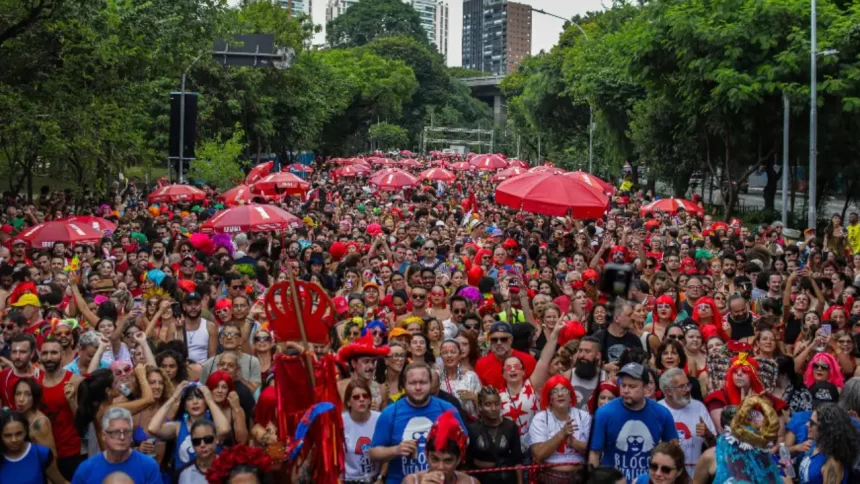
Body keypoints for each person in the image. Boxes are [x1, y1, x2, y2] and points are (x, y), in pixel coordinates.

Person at [369, 362, 465, 484]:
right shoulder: (390, 413)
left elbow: (463, 445)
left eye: (423, 382)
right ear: (404, 384)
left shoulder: (447, 409)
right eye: (413, 383)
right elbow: (373, 453)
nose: (418, 387)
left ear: (431, 384)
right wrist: (396, 450)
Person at [588, 363, 679, 482]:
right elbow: (595, 454)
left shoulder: (662, 414)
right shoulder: (604, 413)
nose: (625, 391)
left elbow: (674, 453)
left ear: (646, 388)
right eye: (623, 385)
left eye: (632, 386)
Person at [71, 407, 162, 484]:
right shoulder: (86, 469)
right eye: (115, 432)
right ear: (103, 435)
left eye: (126, 432)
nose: (122, 437)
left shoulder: (148, 466)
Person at [529, 375, 592, 482]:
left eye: (564, 390)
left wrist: (572, 442)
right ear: (549, 399)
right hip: (549, 477)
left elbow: (593, 451)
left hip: (579, 477)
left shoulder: (584, 416)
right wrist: (561, 435)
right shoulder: (540, 419)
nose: (560, 394)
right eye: (554, 391)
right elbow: (539, 455)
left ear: (571, 396)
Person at [38, 337, 85, 479]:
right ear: (40, 356)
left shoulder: (76, 381)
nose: (49, 357)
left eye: (53, 353)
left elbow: (82, 422)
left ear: (62, 355)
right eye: (45, 353)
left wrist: (71, 401)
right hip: (42, 452)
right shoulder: (34, 383)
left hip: (70, 452)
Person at [657, 368, 715, 478]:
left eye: (688, 385)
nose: (687, 389)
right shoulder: (657, 410)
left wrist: (708, 435)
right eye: (681, 386)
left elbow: (715, 447)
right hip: (665, 476)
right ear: (668, 391)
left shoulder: (698, 407)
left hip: (695, 476)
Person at [466, 386, 522, 484]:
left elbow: (517, 460)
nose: (493, 408)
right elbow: (469, 461)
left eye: (497, 404)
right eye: (488, 404)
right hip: (483, 480)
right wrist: (488, 465)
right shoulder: (473, 429)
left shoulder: (510, 426)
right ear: (480, 406)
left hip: (507, 479)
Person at [401, 410, 475, 484]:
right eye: (435, 459)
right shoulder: (412, 481)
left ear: (458, 460)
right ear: (426, 456)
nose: (440, 467)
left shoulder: (470, 482)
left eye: (448, 461)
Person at [0, 410, 67, 484]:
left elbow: (61, 482)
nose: (14, 440)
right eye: (7, 435)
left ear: (26, 431)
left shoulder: (41, 454)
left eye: (19, 434)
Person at [798, 403, 859, 484]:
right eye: (809, 421)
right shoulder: (815, 445)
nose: (807, 424)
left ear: (825, 429)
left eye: (812, 423)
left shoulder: (833, 463)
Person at [474, 322, 537, 391]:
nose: (499, 343)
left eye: (503, 339)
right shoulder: (481, 364)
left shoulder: (528, 361)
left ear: (511, 340)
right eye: (494, 340)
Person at [337, 333, 390, 410]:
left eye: (373, 362)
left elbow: (385, 420)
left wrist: (375, 413)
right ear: (354, 363)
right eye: (366, 362)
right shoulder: (340, 387)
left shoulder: (382, 389)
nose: (371, 366)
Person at [342, 379, 381, 483]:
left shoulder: (380, 419)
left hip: (376, 479)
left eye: (365, 396)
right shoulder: (341, 422)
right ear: (348, 402)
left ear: (369, 400)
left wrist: (381, 478)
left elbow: (387, 450)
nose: (361, 399)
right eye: (356, 397)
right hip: (349, 480)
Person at [0, 333, 41, 408]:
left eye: (22, 352)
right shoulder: (2, 377)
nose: (17, 356)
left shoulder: (43, 377)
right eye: (14, 352)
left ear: (32, 353)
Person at [176, 420, 220, 484]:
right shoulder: (182, 473)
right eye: (196, 441)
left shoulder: (231, 468)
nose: (202, 445)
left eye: (207, 439)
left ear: (217, 439)